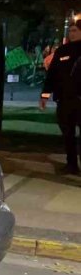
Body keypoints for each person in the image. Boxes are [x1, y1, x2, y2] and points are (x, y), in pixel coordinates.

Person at [40, 19, 81, 175]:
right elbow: (52, 75)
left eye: (75, 30)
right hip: (64, 100)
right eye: (70, 31)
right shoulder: (62, 51)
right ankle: (71, 165)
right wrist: (44, 95)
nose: (72, 34)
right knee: (67, 134)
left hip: (79, 100)